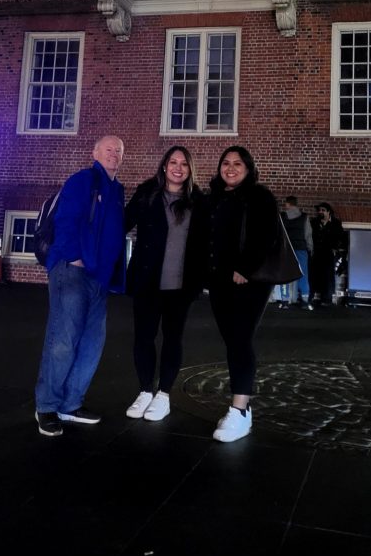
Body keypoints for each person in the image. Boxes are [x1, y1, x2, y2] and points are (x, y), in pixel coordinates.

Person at [34, 135, 126, 437]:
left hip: (98, 278)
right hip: (71, 271)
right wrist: (74, 256)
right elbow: (66, 220)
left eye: (118, 151)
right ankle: (47, 406)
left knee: (91, 343)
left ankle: (71, 404)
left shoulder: (116, 190)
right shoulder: (83, 179)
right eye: (108, 149)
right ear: (95, 153)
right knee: (63, 339)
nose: (114, 154)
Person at [200, 146, 280, 443]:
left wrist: (244, 268)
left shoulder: (259, 196)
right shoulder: (215, 198)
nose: (230, 168)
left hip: (249, 280)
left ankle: (240, 409)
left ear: (248, 168)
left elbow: (266, 235)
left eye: (237, 163)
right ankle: (242, 406)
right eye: (225, 163)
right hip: (220, 280)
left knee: (240, 339)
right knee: (231, 339)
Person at [124, 146, 203, 422]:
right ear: (164, 165)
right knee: (143, 338)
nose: (178, 167)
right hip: (147, 282)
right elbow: (122, 222)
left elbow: (207, 242)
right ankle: (145, 390)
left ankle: (164, 395)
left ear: (190, 169)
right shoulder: (148, 192)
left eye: (184, 163)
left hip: (180, 286)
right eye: (173, 162)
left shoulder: (198, 201)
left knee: (172, 339)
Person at [309, 201, 347, 307]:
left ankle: (327, 299)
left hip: (328, 253)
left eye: (323, 210)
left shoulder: (335, 223)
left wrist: (336, 248)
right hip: (316, 252)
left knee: (328, 276)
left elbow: (341, 237)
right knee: (314, 275)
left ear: (329, 212)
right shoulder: (314, 222)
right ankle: (311, 296)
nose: (320, 212)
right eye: (319, 210)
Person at [281, 196, 314, 309]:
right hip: (301, 248)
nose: (285, 206)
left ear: (289, 204)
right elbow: (308, 234)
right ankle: (305, 300)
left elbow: (279, 234)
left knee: (285, 275)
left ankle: (285, 301)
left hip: (286, 249)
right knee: (303, 274)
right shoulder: (304, 217)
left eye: (285, 204)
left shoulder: (282, 217)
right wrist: (310, 248)